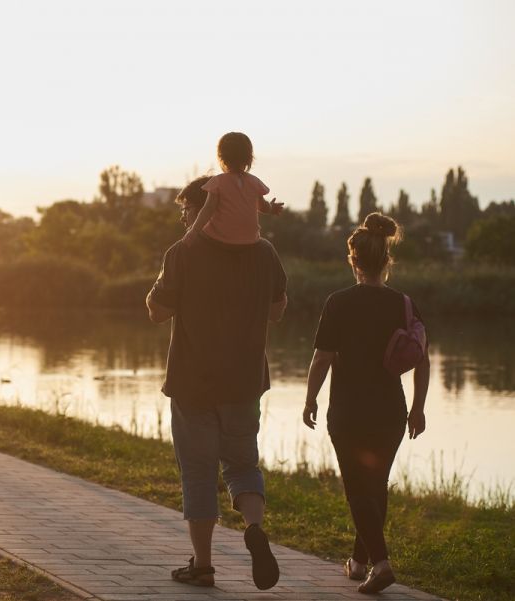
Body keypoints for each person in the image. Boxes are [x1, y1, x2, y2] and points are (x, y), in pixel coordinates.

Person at [146, 175, 288, 591]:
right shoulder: (265, 252)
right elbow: (278, 312)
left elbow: (157, 311)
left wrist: (159, 285)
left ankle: (203, 565)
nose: (184, 218)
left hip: (194, 383)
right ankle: (254, 527)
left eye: (187, 209)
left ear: (206, 207)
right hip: (244, 382)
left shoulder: (183, 252)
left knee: (198, 473)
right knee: (243, 465)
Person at [303, 213, 430, 594]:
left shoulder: (338, 302)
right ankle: (359, 563)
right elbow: (423, 359)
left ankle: (381, 562)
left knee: (358, 489)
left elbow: (322, 358)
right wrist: (418, 408)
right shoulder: (404, 303)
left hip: (348, 412)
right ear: (385, 260)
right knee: (374, 487)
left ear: (353, 260)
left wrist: (310, 398)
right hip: (391, 411)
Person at [185, 132, 283, 245]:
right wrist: (271, 208)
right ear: (249, 159)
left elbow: (208, 209)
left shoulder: (218, 182)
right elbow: (262, 206)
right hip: (250, 239)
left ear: (222, 158)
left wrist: (193, 232)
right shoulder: (254, 182)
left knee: (204, 232)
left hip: (222, 238)